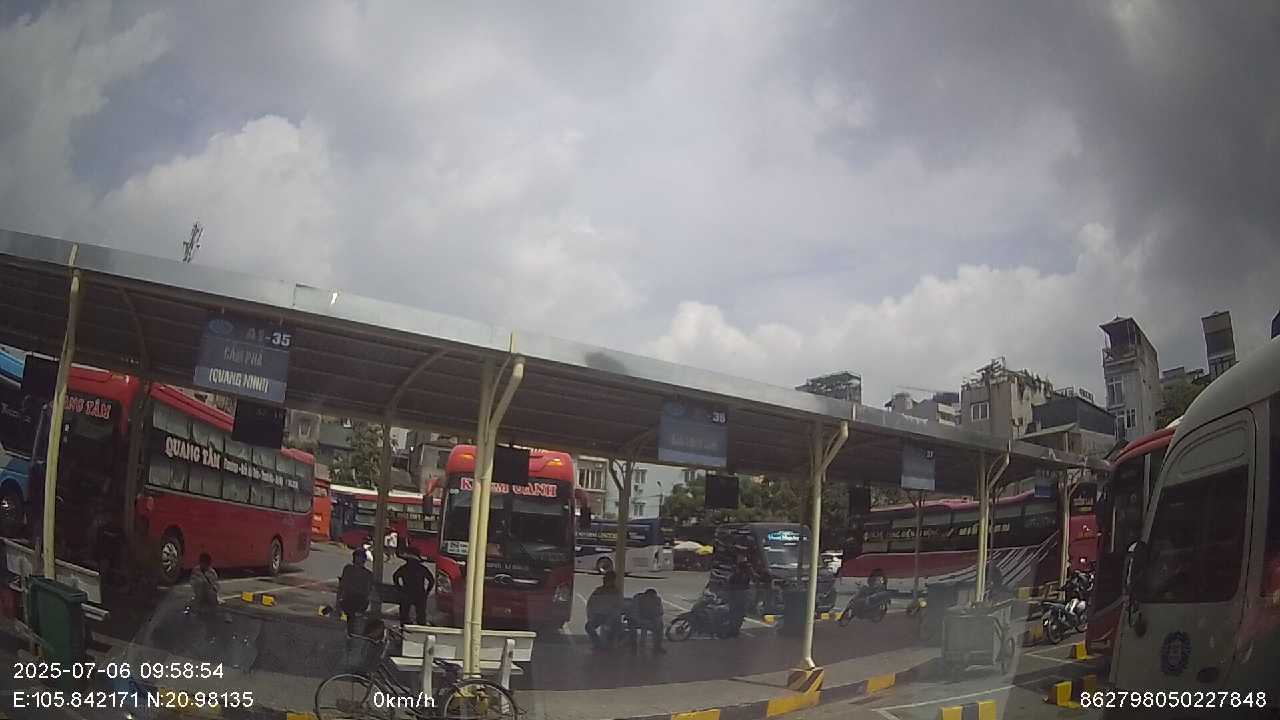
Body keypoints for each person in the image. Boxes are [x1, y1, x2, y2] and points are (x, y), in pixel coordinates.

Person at [392, 546, 434, 625]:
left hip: (406, 592)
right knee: (421, 614)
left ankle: (405, 624)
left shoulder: (404, 568)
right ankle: (421, 624)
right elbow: (431, 580)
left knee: (404, 612)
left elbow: (395, 576)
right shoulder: (422, 569)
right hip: (419, 593)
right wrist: (427, 592)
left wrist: (399, 587)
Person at [338, 550, 374, 635]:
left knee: (352, 609)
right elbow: (343, 585)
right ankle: (351, 630)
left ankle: (351, 630)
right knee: (351, 609)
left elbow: (367, 590)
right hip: (351, 598)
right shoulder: (349, 569)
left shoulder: (366, 573)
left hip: (357, 599)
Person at [585, 571, 623, 649]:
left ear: (613, 581)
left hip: (611, 617)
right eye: (605, 579)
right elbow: (590, 605)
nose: (606, 581)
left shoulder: (616, 593)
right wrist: (591, 617)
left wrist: (611, 619)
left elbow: (618, 608)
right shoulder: (598, 591)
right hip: (598, 616)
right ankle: (597, 644)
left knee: (615, 628)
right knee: (589, 627)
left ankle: (610, 645)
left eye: (608, 580)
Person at [190, 552, 223, 641]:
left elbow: (216, 585)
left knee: (210, 618)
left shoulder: (212, 573)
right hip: (199, 597)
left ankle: (210, 634)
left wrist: (212, 589)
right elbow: (192, 581)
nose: (203, 565)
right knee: (196, 616)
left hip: (209, 598)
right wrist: (199, 583)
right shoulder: (196, 570)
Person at [631, 588, 666, 653]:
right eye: (650, 597)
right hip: (640, 619)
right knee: (636, 625)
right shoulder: (639, 600)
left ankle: (657, 646)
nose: (652, 599)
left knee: (660, 626)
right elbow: (634, 613)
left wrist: (657, 619)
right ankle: (633, 645)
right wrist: (641, 620)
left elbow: (660, 612)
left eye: (653, 597)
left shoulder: (657, 600)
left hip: (652, 620)